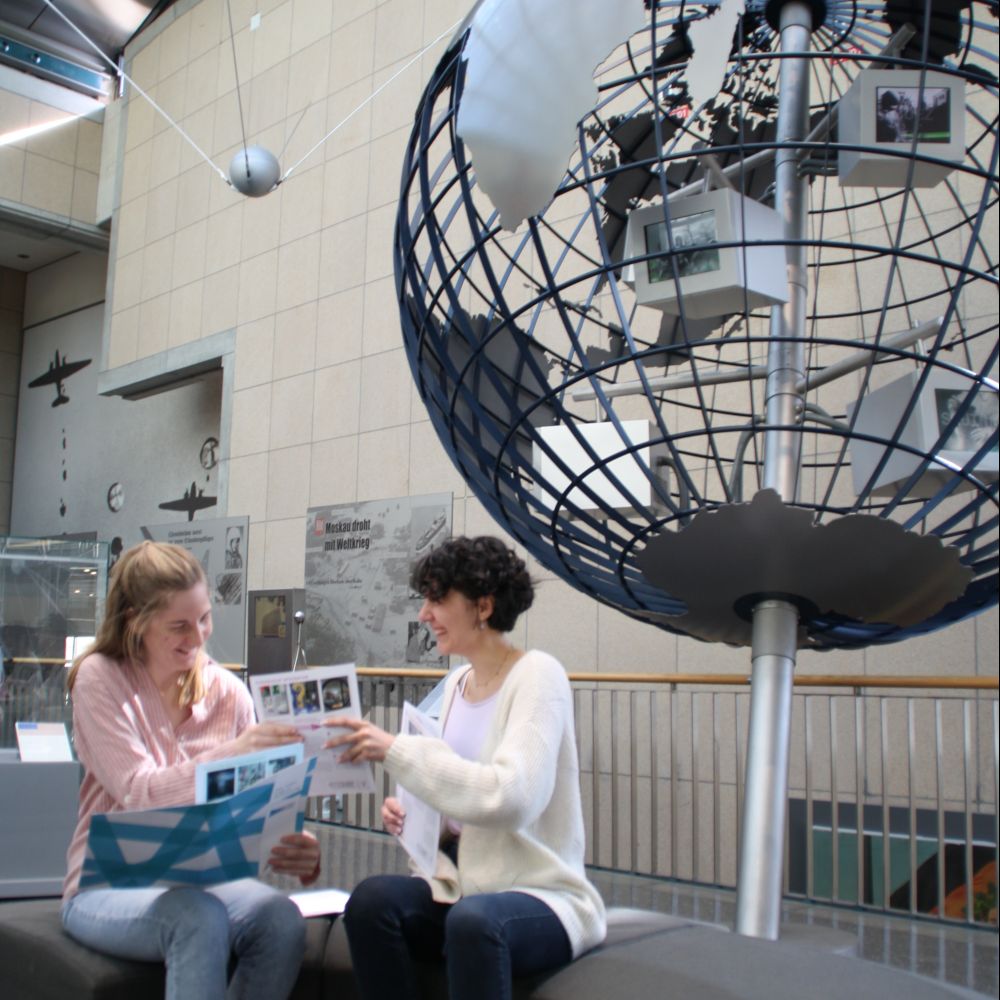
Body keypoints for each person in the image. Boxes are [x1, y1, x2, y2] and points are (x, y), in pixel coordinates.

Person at [325, 535, 606, 1000]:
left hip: (539, 893)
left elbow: (512, 798)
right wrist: (413, 816)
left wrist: (396, 752)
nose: (424, 614)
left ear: (483, 605)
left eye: (437, 599)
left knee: (474, 923)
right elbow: (450, 788)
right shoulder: (456, 684)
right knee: (371, 903)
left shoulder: (539, 676)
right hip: (462, 882)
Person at [61, 541, 320, 1000]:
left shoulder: (227, 691)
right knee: (196, 917)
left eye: (204, 619)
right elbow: (139, 792)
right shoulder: (101, 678)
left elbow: (254, 799)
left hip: (203, 881)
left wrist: (294, 842)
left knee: (281, 919)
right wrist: (230, 754)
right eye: (179, 625)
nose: (198, 636)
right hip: (105, 885)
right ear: (135, 622)